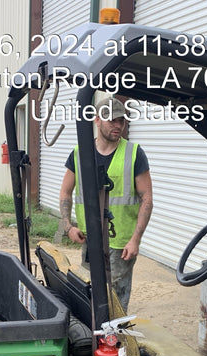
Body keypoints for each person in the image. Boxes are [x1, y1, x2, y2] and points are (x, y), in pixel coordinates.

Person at [59, 96, 153, 311]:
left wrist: (135, 239)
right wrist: (68, 226)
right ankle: (91, 336)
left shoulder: (134, 153)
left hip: (121, 242)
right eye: (112, 120)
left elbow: (147, 199)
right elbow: (66, 191)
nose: (118, 125)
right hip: (90, 238)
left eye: (121, 121)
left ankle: (114, 339)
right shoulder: (79, 153)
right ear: (97, 120)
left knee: (115, 298)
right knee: (89, 289)